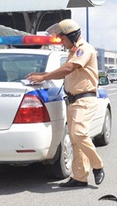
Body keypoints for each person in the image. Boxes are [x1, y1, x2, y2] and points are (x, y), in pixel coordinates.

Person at [26, 19, 105, 188]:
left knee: (78, 134)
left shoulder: (84, 49)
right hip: (73, 101)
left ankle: (97, 165)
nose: (61, 41)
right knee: (76, 141)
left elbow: (69, 69)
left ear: (72, 35)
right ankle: (80, 177)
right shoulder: (73, 51)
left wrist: (43, 77)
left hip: (84, 99)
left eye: (63, 38)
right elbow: (64, 72)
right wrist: (41, 74)